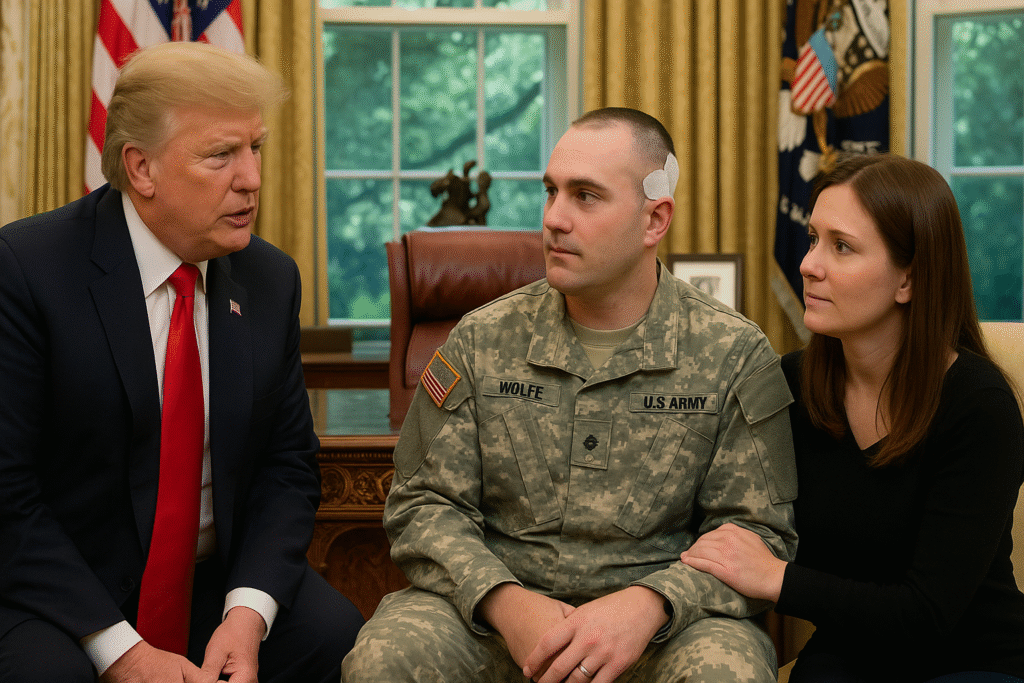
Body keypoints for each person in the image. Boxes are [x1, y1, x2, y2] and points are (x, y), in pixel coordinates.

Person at [343, 107, 798, 683]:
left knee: (725, 671)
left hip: (659, 629)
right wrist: (507, 603)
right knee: (385, 660)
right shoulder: (482, 339)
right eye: (551, 192)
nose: (554, 218)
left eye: (585, 196)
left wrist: (648, 605)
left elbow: (759, 533)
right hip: (493, 620)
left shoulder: (734, 354)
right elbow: (422, 505)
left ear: (654, 220)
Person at [0, 42, 363, 682]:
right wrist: (124, 654)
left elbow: (287, 467)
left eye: (256, 148)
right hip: (65, 594)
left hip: (212, 587)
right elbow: (7, 494)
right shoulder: (29, 271)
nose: (251, 178)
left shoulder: (268, 278)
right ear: (142, 169)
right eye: (221, 155)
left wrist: (247, 614)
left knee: (340, 640)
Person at [679, 153, 1024, 682]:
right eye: (813, 239)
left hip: (971, 659)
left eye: (841, 246)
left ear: (908, 279)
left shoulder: (979, 403)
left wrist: (777, 579)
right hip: (850, 653)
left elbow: (927, 613)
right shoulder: (789, 384)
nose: (809, 264)